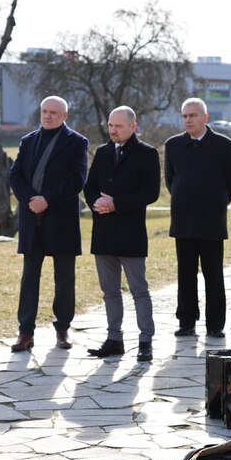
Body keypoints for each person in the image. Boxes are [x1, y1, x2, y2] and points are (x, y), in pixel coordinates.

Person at [9, 95, 88, 352]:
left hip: (61, 220)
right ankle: (25, 333)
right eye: (45, 111)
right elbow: (16, 175)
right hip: (32, 219)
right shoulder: (28, 140)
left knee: (64, 279)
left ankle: (63, 330)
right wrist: (31, 200)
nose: (48, 115)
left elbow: (77, 179)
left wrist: (47, 200)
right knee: (29, 278)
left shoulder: (77, 142)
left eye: (54, 112)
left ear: (64, 116)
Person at [83, 106, 160, 362]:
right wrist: (97, 204)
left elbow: (150, 193)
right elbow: (90, 186)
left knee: (139, 290)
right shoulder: (103, 152)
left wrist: (116, 203)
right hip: (104, 232)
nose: (113, 130)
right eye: (110, 125)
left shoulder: (147, 154)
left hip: (131, 233)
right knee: (109, 291)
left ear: (132, 126)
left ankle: (145, 340)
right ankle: (114, 339)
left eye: (118, 126)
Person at [165, 98, 231, 338]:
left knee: (213, 274)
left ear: (205, 117)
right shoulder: (173, 145)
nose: (188, 120)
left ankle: (215, 324)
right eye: (185, 116)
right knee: (185, 274)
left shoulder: (224, 145)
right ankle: (186, 321)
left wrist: (216, 203)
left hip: (212, 222)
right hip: (183, 221)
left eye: (193, 115)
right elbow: (171, 180)